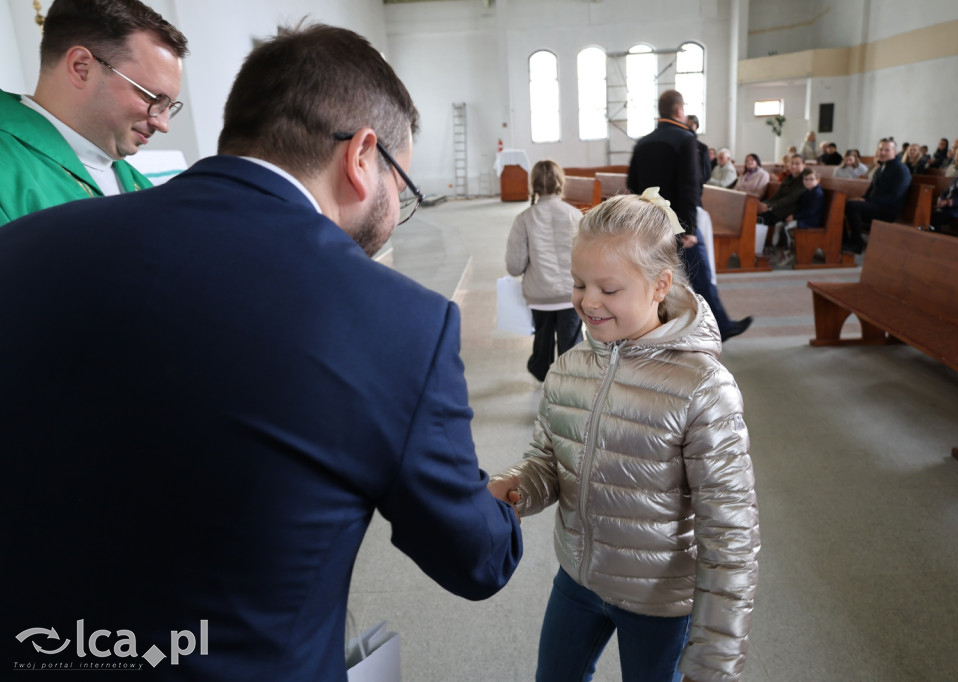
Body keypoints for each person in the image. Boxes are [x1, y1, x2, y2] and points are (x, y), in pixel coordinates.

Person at [0, 25, 523, 679]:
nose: (396, 211)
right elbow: (476, 560)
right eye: (402, 187)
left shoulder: (23, 246)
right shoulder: (398, 322)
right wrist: (510, 498)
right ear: (363, 156)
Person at [489, 191, 759, 682]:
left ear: (660, 285)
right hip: (578, 576)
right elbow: (549, 461)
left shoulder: (702, 387)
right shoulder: (570, 368)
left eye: (609, 289)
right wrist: (514, 487)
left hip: (659, 600)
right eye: (578, 283)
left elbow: (730, 534)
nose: (588, 301)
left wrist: (715, 657)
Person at [0, 0, 188, 225]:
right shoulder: (8, 164)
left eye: (169, 106)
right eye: (152, 98)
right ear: (82, 68)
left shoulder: (139, 183)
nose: (163, 125)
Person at [628, 90, 753, 342]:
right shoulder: (685, 140)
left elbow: (632, 183)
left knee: (658, 276)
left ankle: (662, 327)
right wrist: (689, 229)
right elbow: (690, 185)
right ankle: (721, 326)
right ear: (679, 110)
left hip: (650, 221)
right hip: (677, 223)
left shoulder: (643, 143)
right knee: (700, 274)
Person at [505, 160, 583, 382]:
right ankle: (571, 381)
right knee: (571, 344)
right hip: (571, 295)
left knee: (543, 338)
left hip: (539, 296)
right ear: (561, 182)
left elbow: (514, 266)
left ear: (534, 185)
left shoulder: (524, 219)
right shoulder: (575, 215)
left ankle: (542, 370)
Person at [843, 138, 911, 253]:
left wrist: (869, 202)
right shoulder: (882, 167)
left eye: (887, 150)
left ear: (895, 152)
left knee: (852, 206)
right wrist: (863, 198)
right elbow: (872, 187)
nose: (883, 152)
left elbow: (896, 195)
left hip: (888, 210)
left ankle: (856, 244)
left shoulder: (901, 170)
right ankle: (845, 241)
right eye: (880, 149)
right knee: (843, 204)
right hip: (875, 205)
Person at [771, 169, 826, 268]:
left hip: (811, 221)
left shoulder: (817, 194)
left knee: (785, 228)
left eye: (811, 179)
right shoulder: (807, 191)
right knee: (778, 225)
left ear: (818, 180)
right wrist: (791, 215)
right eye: (805, 179)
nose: (808, 181)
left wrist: (795, 217)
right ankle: (774, 249)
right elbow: (800, 207)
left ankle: (787, 253)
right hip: (802, 217)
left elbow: (812, 211)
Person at [758, 153, 807, 233]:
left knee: (762, 216)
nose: (793, 166)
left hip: (791, 210)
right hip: (779, 207)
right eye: (792, 163)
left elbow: (791, 198)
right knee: (753, 212)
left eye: (797, 164)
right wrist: (764, 204)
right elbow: (778, 195)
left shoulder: (805, 179)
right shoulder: (788, 178)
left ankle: (758, 242)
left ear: (804, 165)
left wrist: (769, 206)